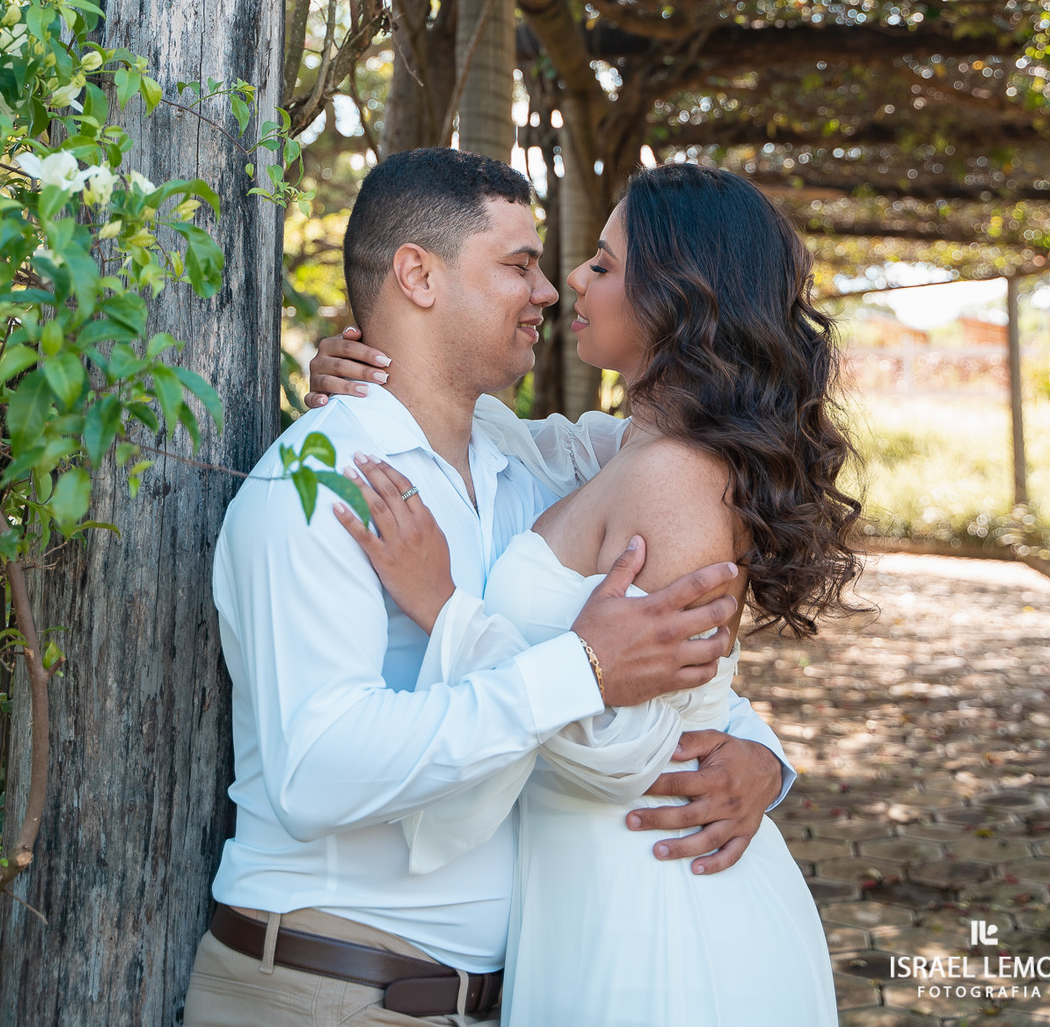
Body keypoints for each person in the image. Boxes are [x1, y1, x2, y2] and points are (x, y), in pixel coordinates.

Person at [183, 150, 792, 1027]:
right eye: (519, 265)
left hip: (514, 992)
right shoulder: (325, 483)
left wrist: (763, 760)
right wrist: (577, 670)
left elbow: (662, 653)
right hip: (333, 989)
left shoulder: (528, 477)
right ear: (417, 276)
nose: (551, 290)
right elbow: (317, 769)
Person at [324, 161, 859, 1026]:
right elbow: (474, 429)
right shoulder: (614, 452)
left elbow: (628, 753)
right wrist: (366, 371)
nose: (571, 277)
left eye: (604, 266)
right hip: (589, 892)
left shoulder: (677, 479)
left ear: (676, 298)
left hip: (656, 910)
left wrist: (446, 607)